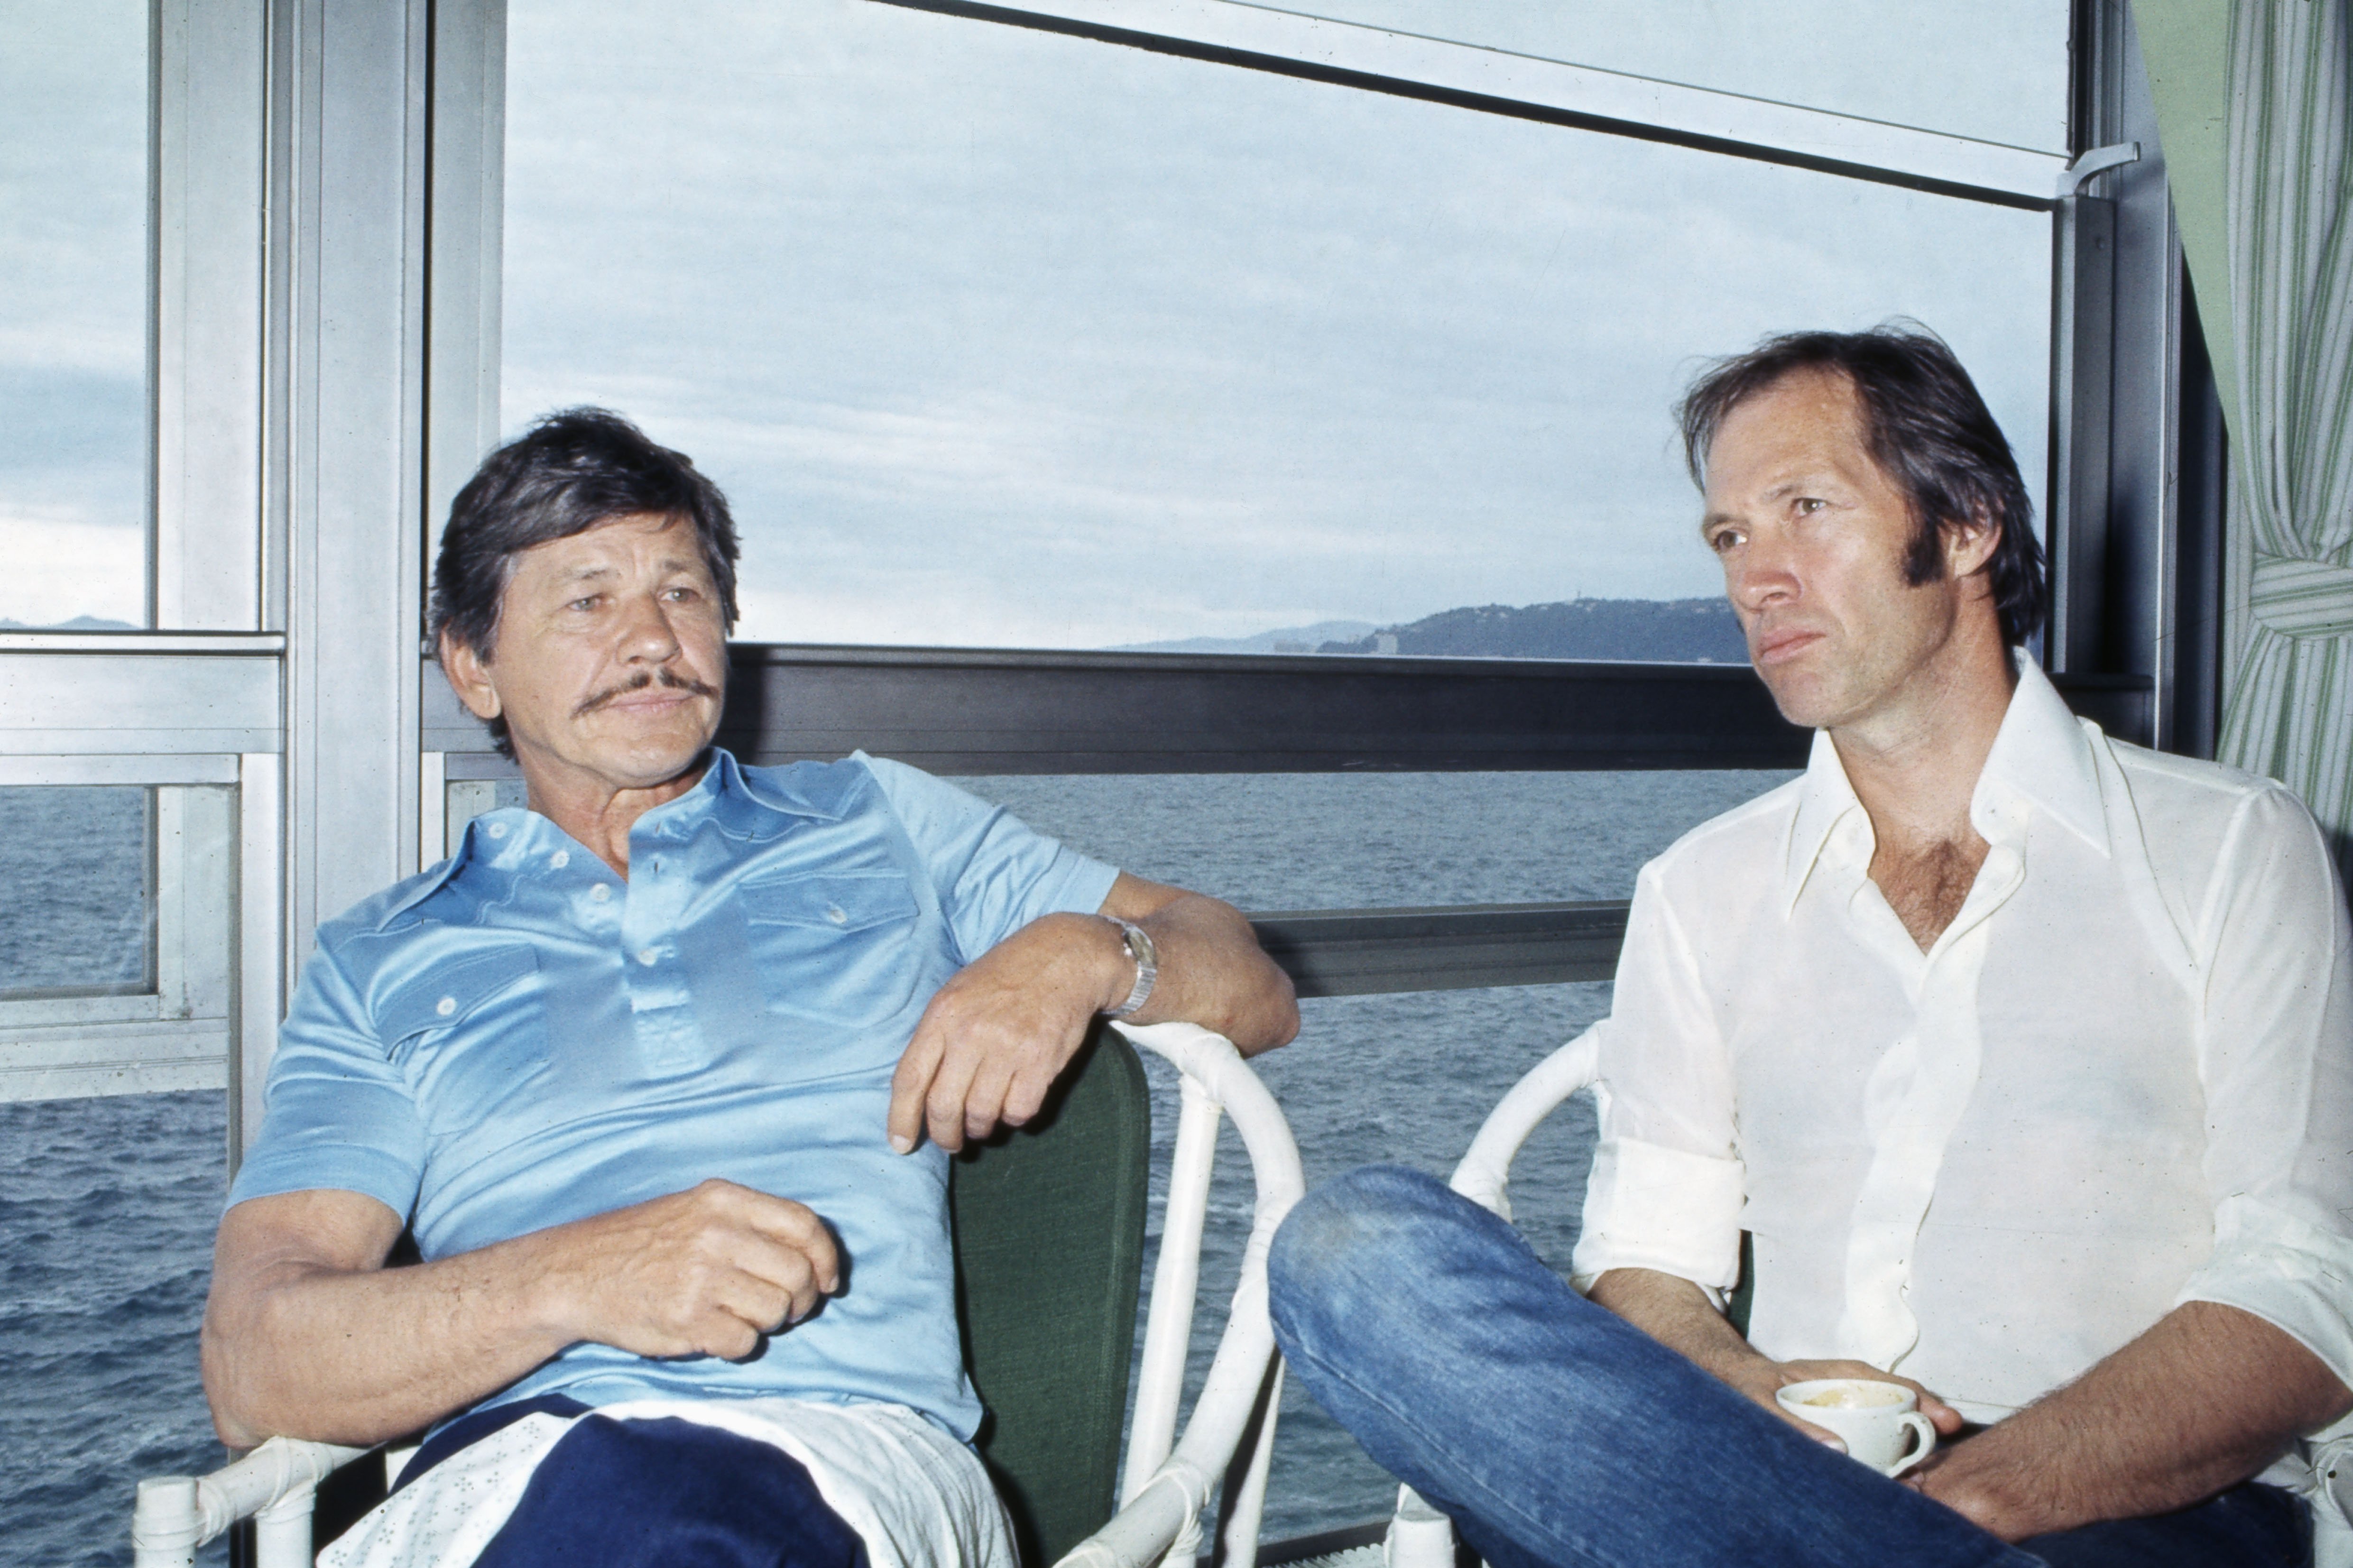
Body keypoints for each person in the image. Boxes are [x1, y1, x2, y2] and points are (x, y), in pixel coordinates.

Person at [1267, 327, 2353, 1568]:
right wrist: (1745, 1389)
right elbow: (1645, 1268)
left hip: (2130, 1519)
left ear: (1966, 525)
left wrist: (1966, 1501)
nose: (1754, 579)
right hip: (1767, 1482)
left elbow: (2302, 1287)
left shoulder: (2230, 851)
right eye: (1730, 535)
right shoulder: (1700, 891)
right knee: (1355, 1251)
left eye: (1804, 509)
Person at [199, 407, 1299, 1568]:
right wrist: (579, 1277)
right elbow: (253, 1363)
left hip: (854, 1459)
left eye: (683, 592)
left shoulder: (880, 822)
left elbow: (1252, 984)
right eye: (588, 600)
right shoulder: (381, 957)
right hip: (499, 1485)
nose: (653, 640)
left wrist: (1086, 951)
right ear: (473, 665)